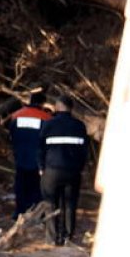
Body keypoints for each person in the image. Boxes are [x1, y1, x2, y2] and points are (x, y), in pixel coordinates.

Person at [38, 95, 90, 245]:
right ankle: (68, 238)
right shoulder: (79, 126)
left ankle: (52, 239)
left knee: (50, 204)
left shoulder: (48, 124)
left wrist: (41, 167)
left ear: (58, 106)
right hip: (72, 171)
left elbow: (40, 148)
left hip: (51, 171)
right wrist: (79, 168)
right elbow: (84, 151)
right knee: (70, 205)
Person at [6, 90, 51, 219]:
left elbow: (11, 135)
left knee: (20, 184)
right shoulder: (46, 118)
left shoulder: (16, 115)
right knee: (36, 187)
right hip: (37, 158)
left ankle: (19, 212)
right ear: (42, 103)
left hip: (20, 156)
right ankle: (35, 213)